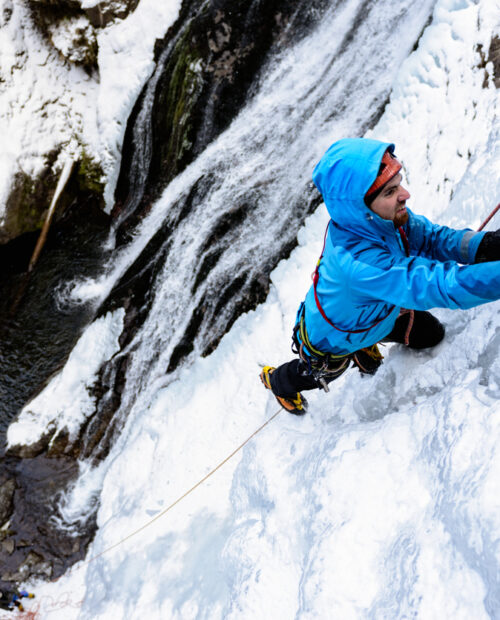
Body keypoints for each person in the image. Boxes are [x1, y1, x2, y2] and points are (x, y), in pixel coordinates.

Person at [261, 137, 500, 414]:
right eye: (390, 192)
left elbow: (433, 239)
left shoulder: (385, 220)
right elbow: (441, 285)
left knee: (431, 335)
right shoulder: (359, 264)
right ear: (360, 207)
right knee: (319, 374)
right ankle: (278, 382)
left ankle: (365, 348)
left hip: (378, 312)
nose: (405, 195)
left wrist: (488, 244)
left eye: (399, 183)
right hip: (332, 339)